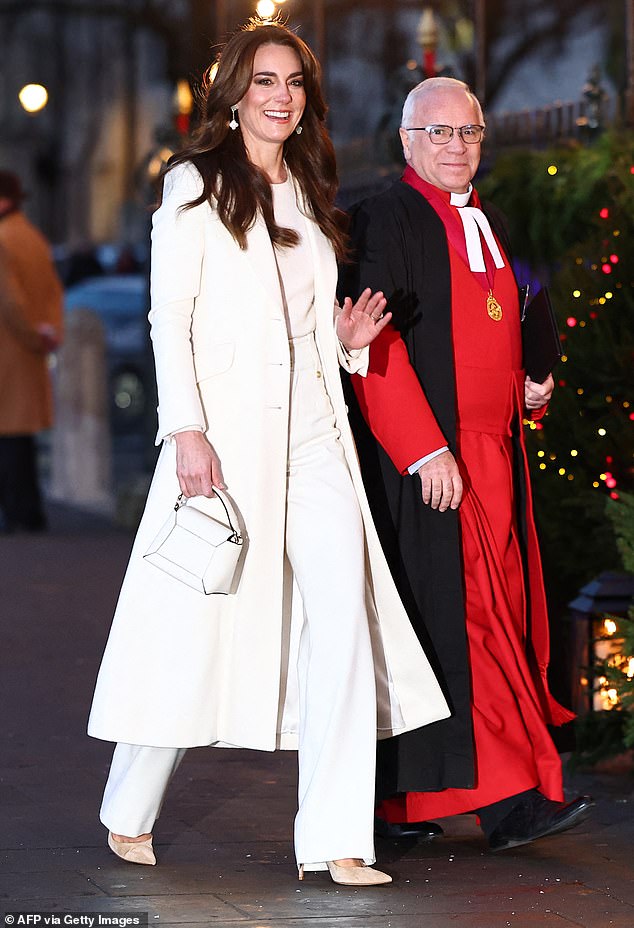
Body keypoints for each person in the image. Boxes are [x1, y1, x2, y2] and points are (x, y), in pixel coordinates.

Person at [87, 22, 449, 886]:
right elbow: (168, 318)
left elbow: (302, 329)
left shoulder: (312, 189)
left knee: (342, 625)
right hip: (228, 441)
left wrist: (350, 342)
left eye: (292, 82)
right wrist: (187, 430)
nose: (280, 96)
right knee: (196, 620)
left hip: (317, 440)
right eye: (263, 82)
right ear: (234, 96)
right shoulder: (194, 186)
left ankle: (337, 838)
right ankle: (128, 805)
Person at [339, 77, 593, 852]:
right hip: (433, 467)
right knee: (464, 623)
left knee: (493, 622)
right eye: (439, 134)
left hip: (496, 457)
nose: (457, 148)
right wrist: (423, 448)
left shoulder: (491, 219)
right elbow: (370, 341)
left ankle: (406, 805)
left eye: (469, 133)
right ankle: (510, 796)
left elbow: (501, 320)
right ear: (408, 143)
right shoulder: (386, 216)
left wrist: (530, 386)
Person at [0, 171, 63, 533]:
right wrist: (49, 332)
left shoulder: (4, 239)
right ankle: (28, 511)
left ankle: (19, 513)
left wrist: (30, 332)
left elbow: (10, 300)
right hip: (30, 351)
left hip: (11, 349)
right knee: (20, 440)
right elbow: (54, 291)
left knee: (9, 442)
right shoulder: (33, 237)